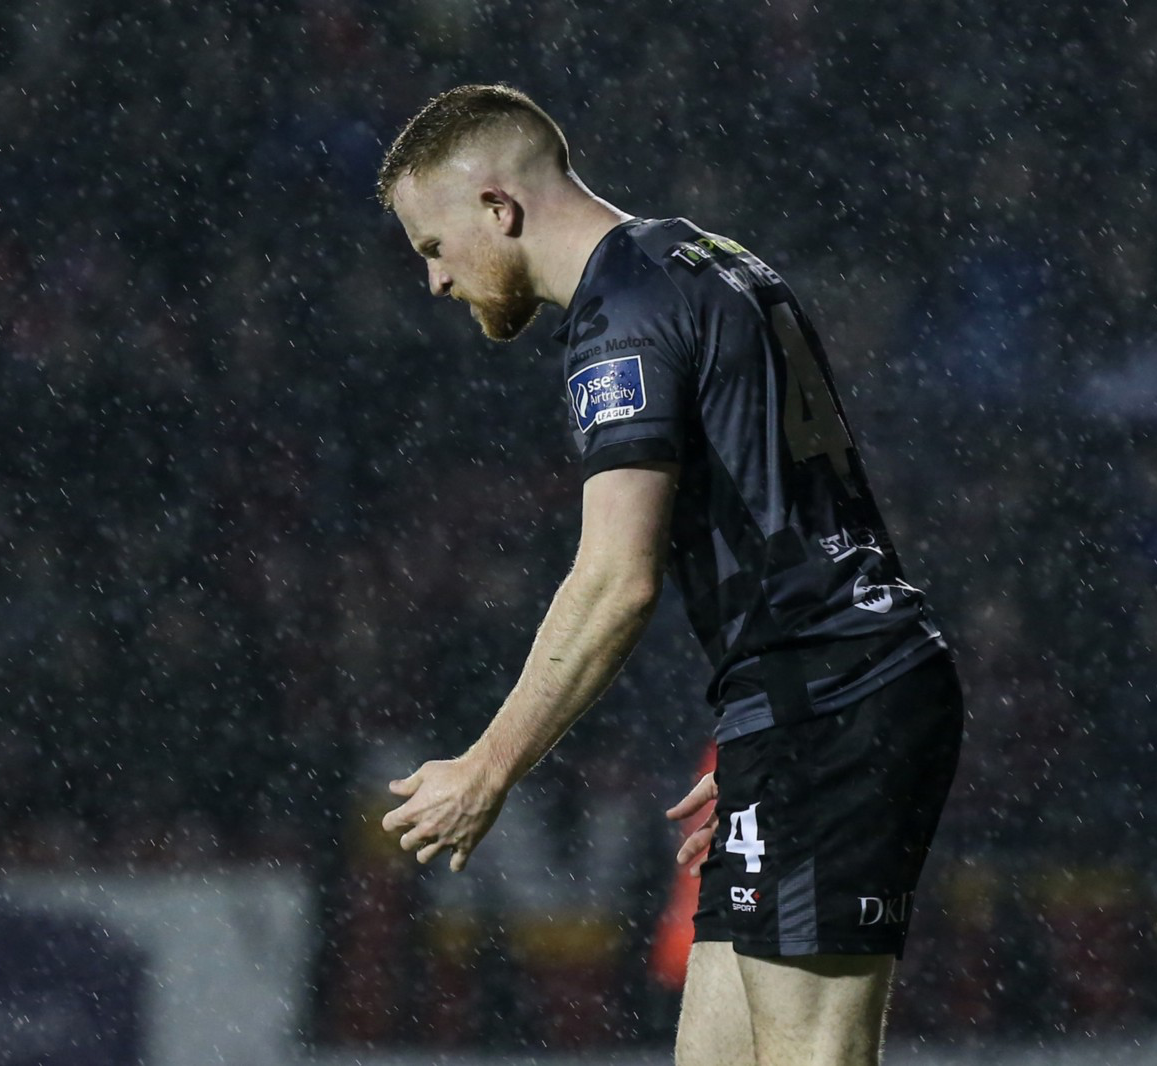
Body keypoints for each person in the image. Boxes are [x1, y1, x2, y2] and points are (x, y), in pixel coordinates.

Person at [375, 84, 963, 1066]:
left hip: (827, 699)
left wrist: (488, 767)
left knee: (811, 1054)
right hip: (807, 700)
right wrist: (757, 736)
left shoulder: (622, 319)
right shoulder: (703, 257)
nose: (434, 280)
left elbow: (617, 580)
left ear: (497, 207)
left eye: (433, 247)